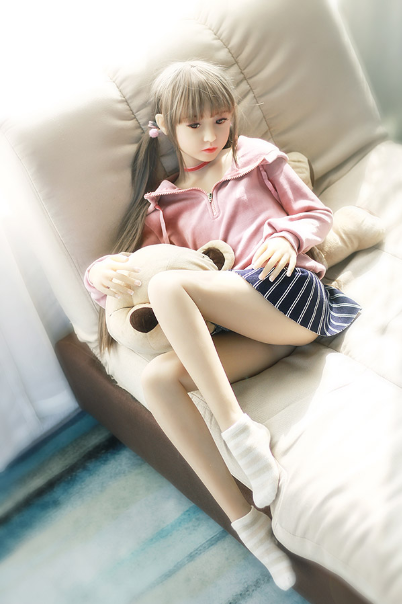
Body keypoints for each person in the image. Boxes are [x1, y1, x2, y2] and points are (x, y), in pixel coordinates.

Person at [84, 60, 361, 591]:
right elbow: (140, 274)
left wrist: (286, 237)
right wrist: (99, 275)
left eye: (221, 120)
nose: (211, 136)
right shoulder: (162, 209)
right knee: (158, 379)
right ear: (164, 127)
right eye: (195, 125)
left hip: (290, 297)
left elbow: (315, 214)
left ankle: (238, 430)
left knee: (172, 287)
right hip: (247, 334)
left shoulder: (255, 158)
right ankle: (247, 524)